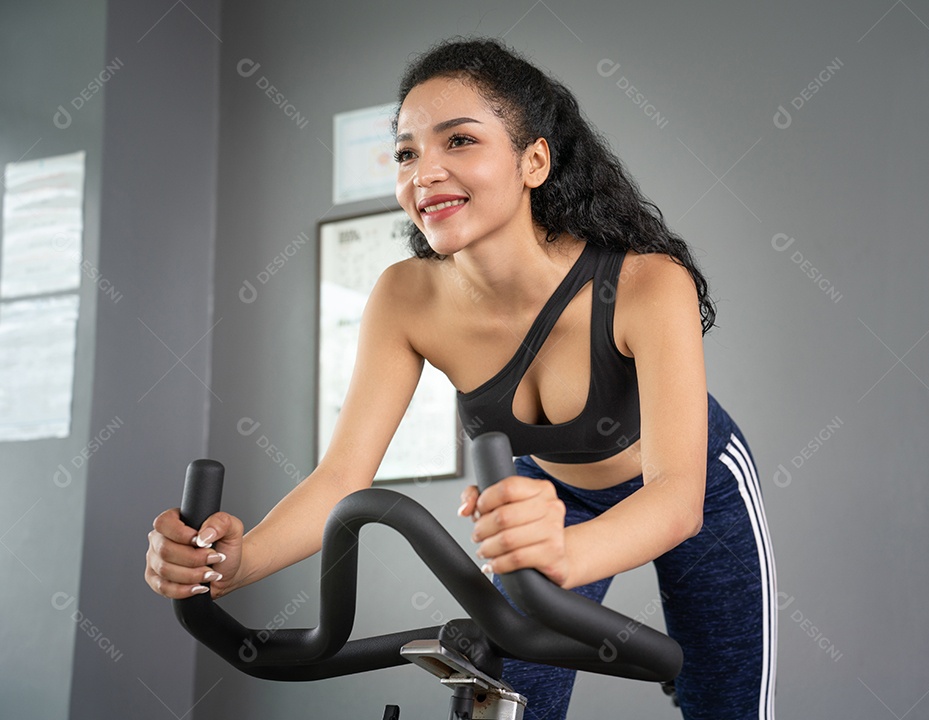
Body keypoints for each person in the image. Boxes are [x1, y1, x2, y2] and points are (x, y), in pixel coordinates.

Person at [145, 37, 776, 720]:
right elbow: (341, 479)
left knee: (725, 702)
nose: (425, 173)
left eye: (460, 141)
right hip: (545, 497)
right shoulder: (406, 297)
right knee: (507, 700)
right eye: (407, 153)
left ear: (534, 161)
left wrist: (562, 553)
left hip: (696, 487)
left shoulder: (645, 284)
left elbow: (677, 498)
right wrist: (234, 565)